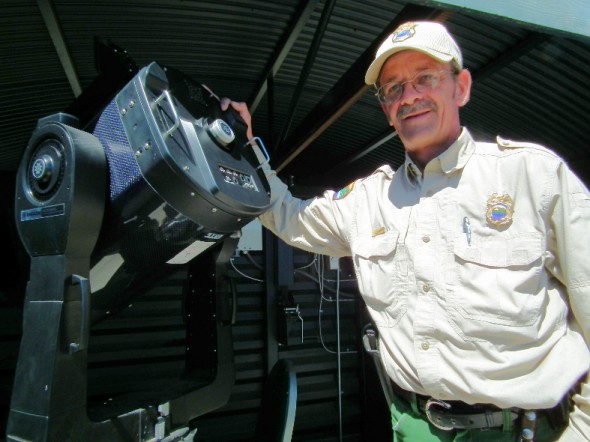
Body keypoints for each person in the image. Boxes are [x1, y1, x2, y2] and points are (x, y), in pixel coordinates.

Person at [221, 20, 590, 441]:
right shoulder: (369, 199)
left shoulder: (534, 176)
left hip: (522, 430)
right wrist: (242, 146)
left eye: (425, 78)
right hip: (413, 428)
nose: (409, 96)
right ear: (385, 109)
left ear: (461, 87)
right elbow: (288, 215)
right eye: (393, 88)